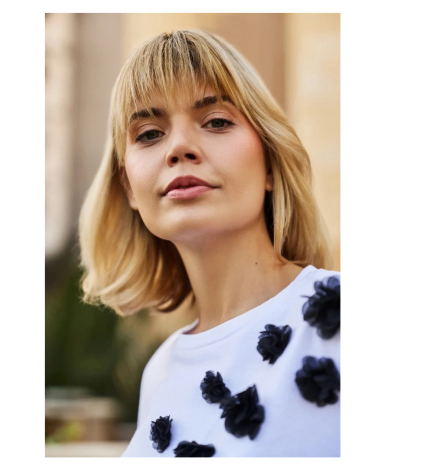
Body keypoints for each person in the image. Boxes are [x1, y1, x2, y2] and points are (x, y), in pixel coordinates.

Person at [78, 29, 340, 457]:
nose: (179, 147)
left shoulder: (342, 319)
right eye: (149, 133)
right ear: (128, 187)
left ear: (270, 163)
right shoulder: (160, 372)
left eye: (217, 121)